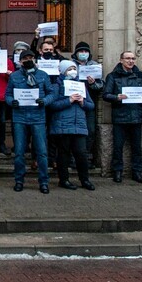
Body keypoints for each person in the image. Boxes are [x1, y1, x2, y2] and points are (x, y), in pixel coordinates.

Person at [6, 50, 55, 193]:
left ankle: (44, 181)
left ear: (34, 59)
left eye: (30, 58)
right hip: (20, 117)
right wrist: (11, 102)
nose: (28, 60)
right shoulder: (14, 76)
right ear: (20, 61)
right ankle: (19, 180)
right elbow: (8, 94)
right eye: (25, 58)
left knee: (41, 152)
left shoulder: (43, 75)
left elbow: (51, 93)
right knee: (20, 152)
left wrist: (44, 101)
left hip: (38, 117)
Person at [102, 51, 142, 183]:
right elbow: (106, 94)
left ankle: (137, 172)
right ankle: (117, 171)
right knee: (118, 146)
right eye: (128, 58)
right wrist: (116, 97)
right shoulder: (113, 76)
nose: (131, 61)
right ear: (121, 60)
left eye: (133, 58)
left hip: (136, 114)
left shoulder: (140, 75)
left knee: (137, 147)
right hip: (120, 115)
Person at [49, 60, 96, 191]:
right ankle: (63, 180)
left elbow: (91, 105)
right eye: (69, 69)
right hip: (62, 125)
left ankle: (84, 179)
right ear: (63, 71)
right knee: (63, 154)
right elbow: (52, 105)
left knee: (81, 154)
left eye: (74, 68)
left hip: (79, 125)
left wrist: (82, 102)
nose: (72, 71)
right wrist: (68, 101)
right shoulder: (56, 86)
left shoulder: (81, 85)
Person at [71, 41, 104, 167]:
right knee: (74, 132)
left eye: (86, 51)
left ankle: (87, 158)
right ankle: (74, 158)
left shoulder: (94, 66)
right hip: (73, 104)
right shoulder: (71, 65)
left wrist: (92, 83)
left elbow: (101, 86)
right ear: (76, 53)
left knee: (90, 130)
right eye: (81, 51)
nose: (83, 54)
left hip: (89, 103)